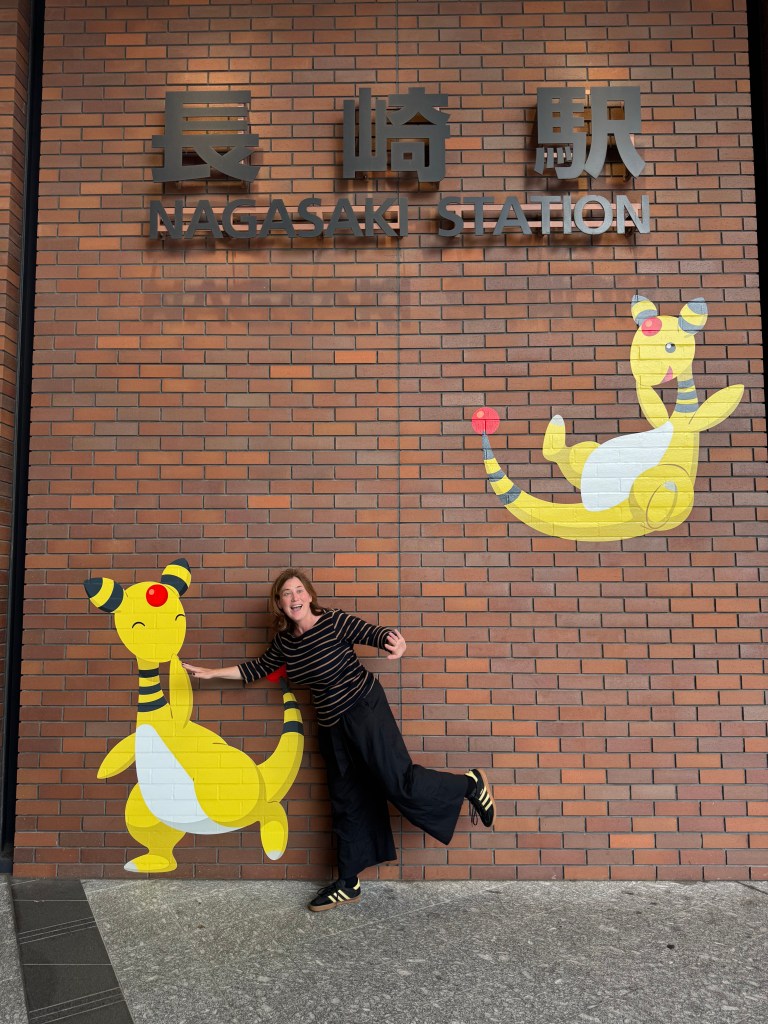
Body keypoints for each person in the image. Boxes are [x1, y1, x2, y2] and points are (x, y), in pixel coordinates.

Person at [182, 568, 495, 912]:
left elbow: (376, 634)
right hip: (331, 726)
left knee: (398, 783)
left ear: (310, 596)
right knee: (347, 801)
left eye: (299, 590)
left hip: (363, 709)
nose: (294, 598)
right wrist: (211, 673)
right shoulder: (285, 642)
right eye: (286, 594)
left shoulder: (334, 621)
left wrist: (396, 641)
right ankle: (348, 882)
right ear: (279, 604)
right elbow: (256, 668)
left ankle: (468, 784)